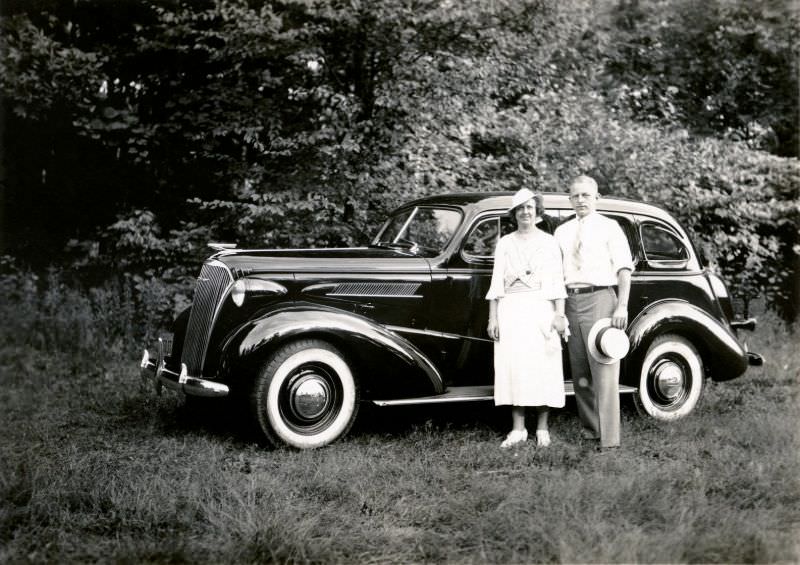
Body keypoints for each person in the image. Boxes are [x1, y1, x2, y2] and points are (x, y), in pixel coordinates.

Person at [554, 175, 634, 449]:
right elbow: (556, 275)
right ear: (570, 200)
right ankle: (591, 432)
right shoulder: (562, 232)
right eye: (575, 196)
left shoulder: (610, 228)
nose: (580, 200)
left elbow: (624, 270)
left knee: (604, 370)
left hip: (601, 298)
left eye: (586, 195)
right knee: (580, 372)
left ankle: (610, 442)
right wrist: (560, 311)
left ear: (596, 198)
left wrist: (622, 305)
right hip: (572, 300)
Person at [486, 188, 568, 448]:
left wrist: (559, 314)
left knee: (544, 365)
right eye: (520, 208)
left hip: (541, 309)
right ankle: (518, 428)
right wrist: (493, 318)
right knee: (515, 367)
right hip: (511, 309)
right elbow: (496, 282)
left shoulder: (548, 242)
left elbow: (557, 282)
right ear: (514, 213)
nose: (525, 212)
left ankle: (542, 428)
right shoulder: (505, 243)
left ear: (537, 212)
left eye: (530, 208)